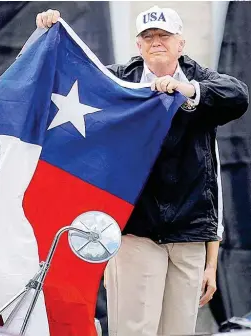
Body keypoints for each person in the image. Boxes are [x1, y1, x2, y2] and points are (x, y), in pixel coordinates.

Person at [36, 6, 249, 336]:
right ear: (138, 45)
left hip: (190, 233)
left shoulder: (201, 81)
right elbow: (64, 76)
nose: (156, 42)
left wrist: (187, 90)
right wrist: (47, 34)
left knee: (178, 331)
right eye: (148, 37)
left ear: (181, 43)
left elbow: (238, 96)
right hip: (135, 231)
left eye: (164, 35)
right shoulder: (117, 81)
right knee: (133, 330)